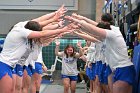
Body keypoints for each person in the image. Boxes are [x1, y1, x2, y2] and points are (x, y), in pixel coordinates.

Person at [65, 13, 136, 93]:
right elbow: (93, 32)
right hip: (114, 68)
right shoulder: (105, 36)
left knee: (100, 85)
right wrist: (79, 27)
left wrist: (77, 21)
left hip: (123, 68)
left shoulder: (113, 33)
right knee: (101, 86)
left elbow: (93, 29)